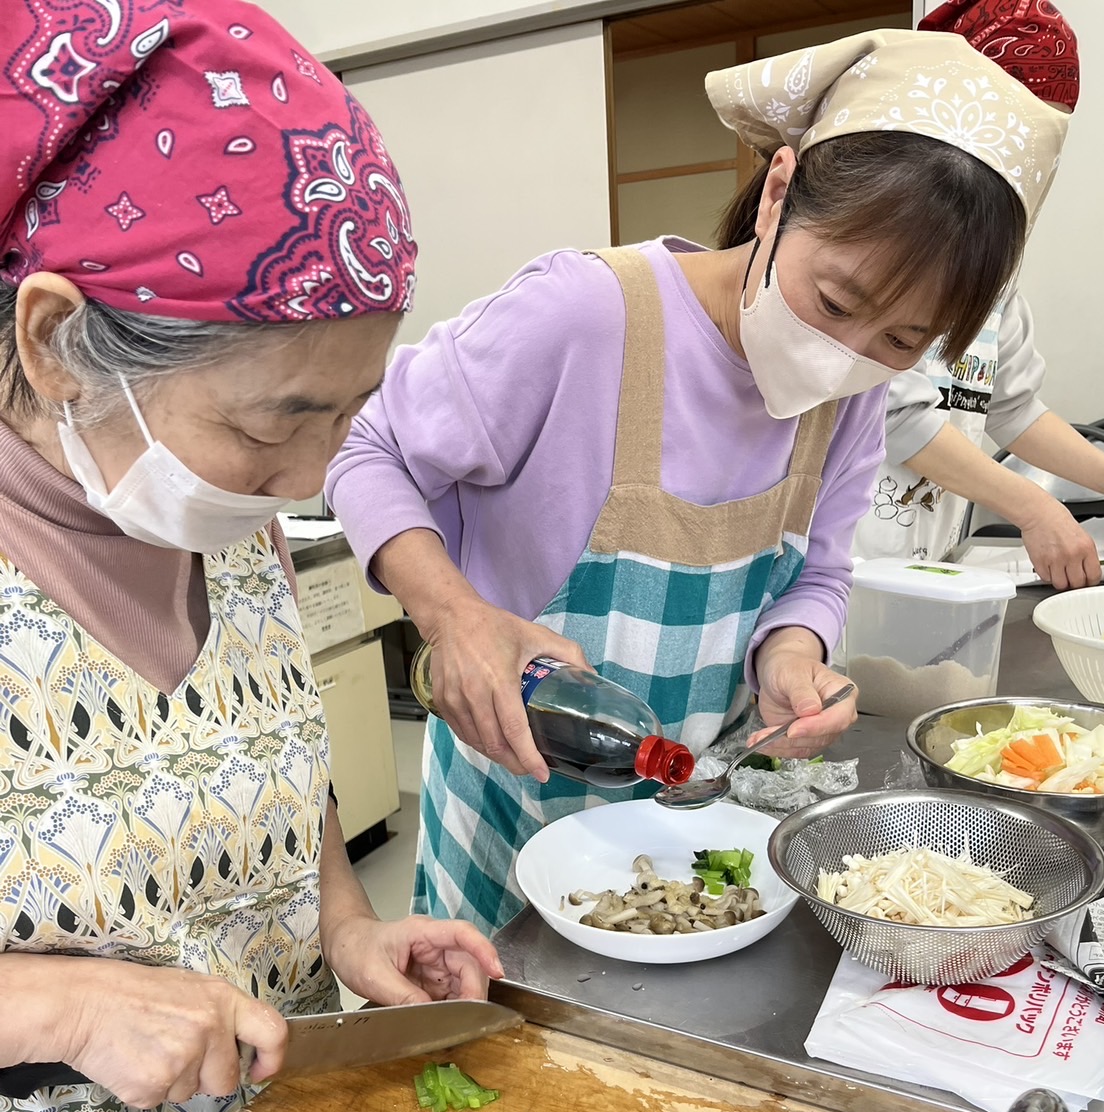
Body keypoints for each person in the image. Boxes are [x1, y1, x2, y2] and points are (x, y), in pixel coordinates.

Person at [0, 2, 499, 1112]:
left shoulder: (231, 527)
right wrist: (58, 1008)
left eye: (342, 419)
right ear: (56, 341)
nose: (304, 476)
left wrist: (347, 930)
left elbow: (279, 804)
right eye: (273, 423)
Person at [327, 29, 1066, 935]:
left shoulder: (857, 399)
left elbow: (820, 574)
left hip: (685, 829)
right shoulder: (587, 317)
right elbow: (366, 445)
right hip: (511, 809)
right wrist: (451, 616)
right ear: (779, 192)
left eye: (902, 343)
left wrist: (792, 656)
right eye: (835, 303)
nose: (846, 359)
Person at [853, 0, 1104, 587]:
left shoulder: (994, 257)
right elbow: (891, 409)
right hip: (845, 558)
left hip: (929, 558)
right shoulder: (889, 229)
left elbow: (1013, 409)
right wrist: (1033, 506)